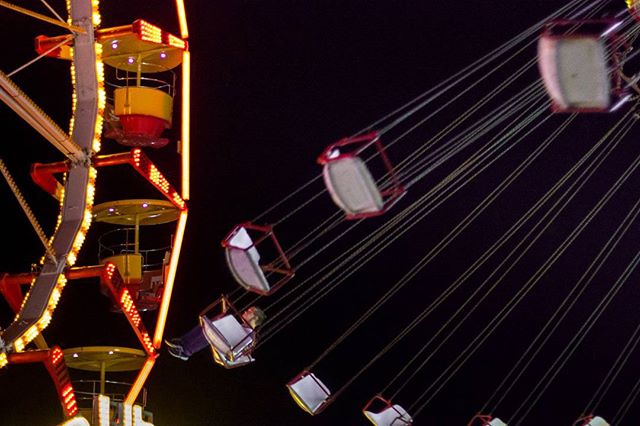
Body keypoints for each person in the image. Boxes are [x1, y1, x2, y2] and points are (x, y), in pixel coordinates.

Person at [165, 305, 266, 361]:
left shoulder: (250, 334)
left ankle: (185, 350)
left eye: (249, 311)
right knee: (206, 325)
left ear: (255, 317)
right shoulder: (242, 327)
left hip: (228, 348)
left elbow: (241, 348)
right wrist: (222, 315)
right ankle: (182, 343)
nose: (245, 311)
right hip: (224, 340)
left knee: (211, 332)